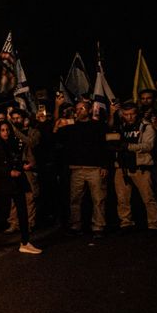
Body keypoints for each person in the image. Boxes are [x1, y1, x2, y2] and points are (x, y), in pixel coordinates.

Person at [55, 100, 110, 237]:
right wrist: (57, 126)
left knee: (98, 199)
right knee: (75, 199)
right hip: (77, 168)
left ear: (90, 110)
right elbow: (56, 138)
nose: (79, 111)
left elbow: (104, 147)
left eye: (82, 108)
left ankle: (98, 226)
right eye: (77, 109)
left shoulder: (98, 126)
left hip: (94, 168)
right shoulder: (71, 128)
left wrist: (104, 165)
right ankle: (76, 225)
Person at [0, 121, 42, 254]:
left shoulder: (12, 144)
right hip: (3, 184)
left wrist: (21, 166)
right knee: (2, 215)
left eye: (7, 130)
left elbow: (16, 158)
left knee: (23, 211)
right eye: (2, 130)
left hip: (16, 182)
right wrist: (8, 172)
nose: (5, 133)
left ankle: (25, 242)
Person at [111, 102, 157, 232]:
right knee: (122, 198)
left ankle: (153, 224)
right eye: (126, 114)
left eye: (132, 114)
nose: (129, 117)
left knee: (148, 197)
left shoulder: (145, 126)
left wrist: (127, 146)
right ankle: (126, 222)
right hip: (122, 167)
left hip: (140, 166)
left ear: (136, 113)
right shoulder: (120, 127)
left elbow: (148, 146)